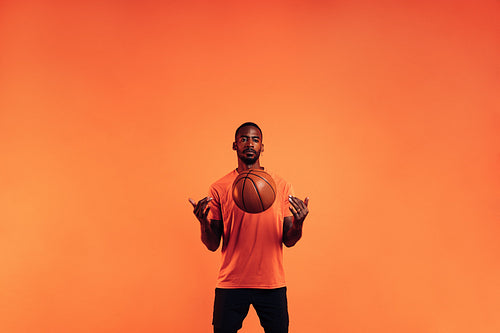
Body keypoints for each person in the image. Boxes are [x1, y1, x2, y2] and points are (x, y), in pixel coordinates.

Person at [189, 122, 309, 333]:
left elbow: (289, 241)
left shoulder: (281, 186)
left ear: (262, 146)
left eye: (255, 139)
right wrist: (202, 223)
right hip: (232, 283)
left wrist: (299, 223)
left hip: (271, 283)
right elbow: (212, 244)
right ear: (235, 145)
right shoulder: (219, 188)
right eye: (244, 139)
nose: (249, 144)